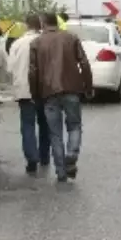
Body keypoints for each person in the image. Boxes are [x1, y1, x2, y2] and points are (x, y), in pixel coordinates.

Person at [29, 12, 93, 183]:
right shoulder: (71, 38)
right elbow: (84, 63)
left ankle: (61, 171)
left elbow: (33, 71)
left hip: (49, 93)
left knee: (55, 133)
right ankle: (71, 154)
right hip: (72, 89)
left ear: (42, 23)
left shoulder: (36, 42)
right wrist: (88, 86)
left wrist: (35, 94)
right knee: (74, 126)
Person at [6, 14, 50, 174]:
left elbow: (10, 69)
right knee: (45, 125)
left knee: (27, 125)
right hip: (45, 91)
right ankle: (45, 157)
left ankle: (32, 159)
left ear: (26, 25)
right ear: (41, 25)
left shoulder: (17, 44)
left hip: (24, 91)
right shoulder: (46, 42)